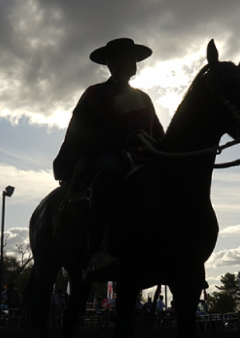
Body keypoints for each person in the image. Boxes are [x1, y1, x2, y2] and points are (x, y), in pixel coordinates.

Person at [53, 38, 164, 280]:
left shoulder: (144, 98)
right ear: (111, 64)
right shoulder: (94, 95)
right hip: (102, 156)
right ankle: (96, 252)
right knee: (110, 172)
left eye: (132, 58)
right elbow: (82, 136)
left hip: (141, 158)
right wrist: (125, 140)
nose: (130, 63)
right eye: (124, 58)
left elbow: (158, 133)